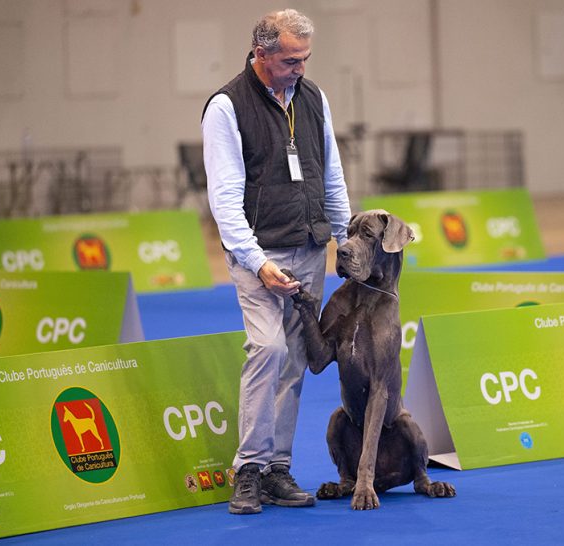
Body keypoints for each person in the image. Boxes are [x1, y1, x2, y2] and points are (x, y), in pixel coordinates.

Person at [201, 9, 351, 515]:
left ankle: (277, 470)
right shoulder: (225, 106)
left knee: (293, 361)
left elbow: (331, 175)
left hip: (310, 249)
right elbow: (223, 198)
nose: (300, 69)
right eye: (290, 60)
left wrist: (347, 240)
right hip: (258, 253)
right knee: (266, 350)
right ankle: (247, 469)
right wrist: (255, 260)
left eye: (306, 59)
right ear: (261, 53)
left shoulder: (314, 98)